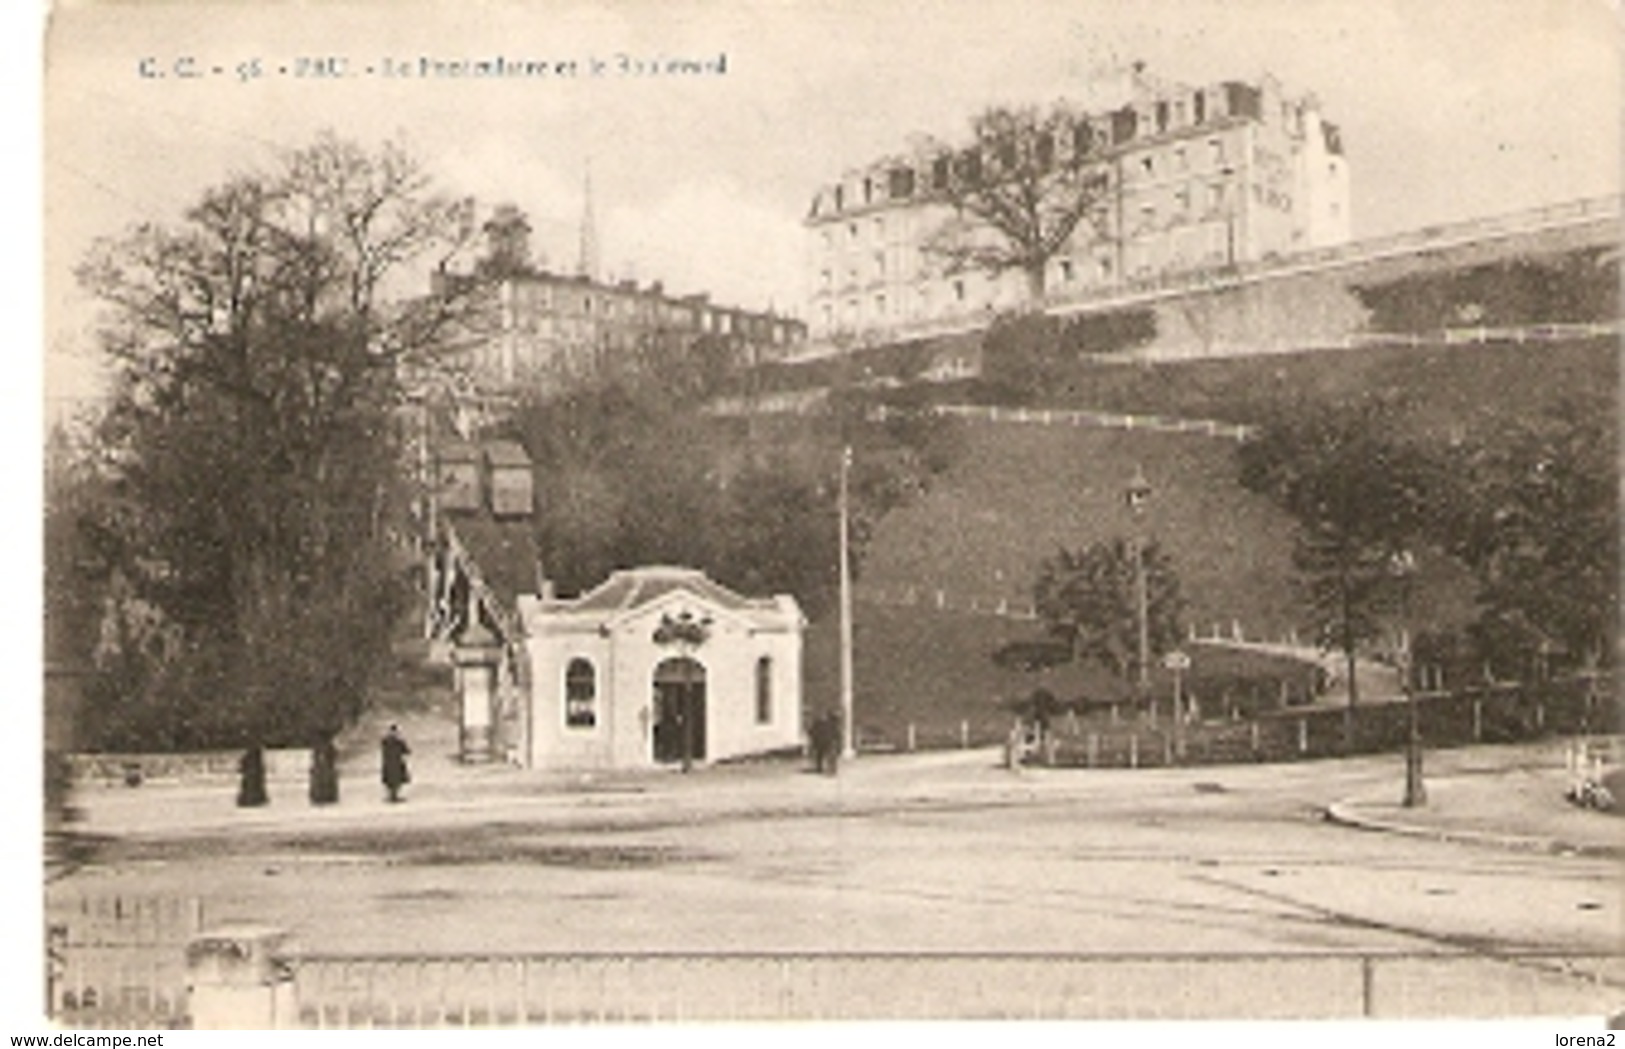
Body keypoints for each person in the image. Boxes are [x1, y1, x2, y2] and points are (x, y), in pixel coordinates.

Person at [380, 724, 411, 803]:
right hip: (397, 762)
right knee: (397, 779)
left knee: (390, 780)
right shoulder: (399, 741)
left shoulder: (385, 741)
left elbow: (383, 750)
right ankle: (394, 796)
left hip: (388, 763)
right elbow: (407, 751)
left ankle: (392, 795)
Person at [309, 731, 339, 806]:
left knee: (324, 778)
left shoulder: (323, 748)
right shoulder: (326, 748)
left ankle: (324, 796)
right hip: (323, 770)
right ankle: (324, 796)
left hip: (323, 770)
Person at [237, 743, 268, 808]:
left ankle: (252, 800)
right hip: (252, 774)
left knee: (251, 785)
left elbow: (243, 765)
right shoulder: (255, 755)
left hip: (252, 774)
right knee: (253, 785)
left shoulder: (252, 755)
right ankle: (254, 799)